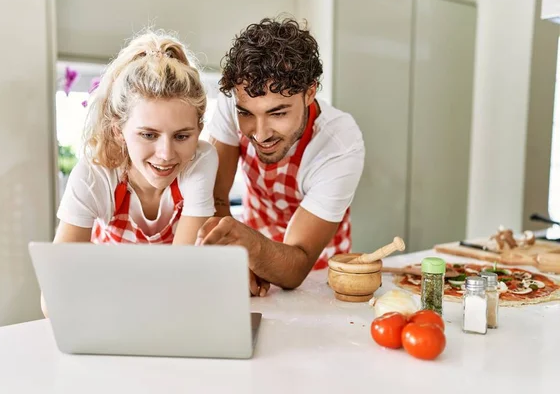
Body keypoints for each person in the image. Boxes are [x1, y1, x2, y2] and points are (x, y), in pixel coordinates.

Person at [44, 31, 218, 314]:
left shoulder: (200, 161)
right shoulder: (93, 176)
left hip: (174, 312)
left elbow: (184, 275)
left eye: (182, 136)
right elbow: (52, 300)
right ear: (119, 131)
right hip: (109, 314)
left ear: (199, 130)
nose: (166, 154)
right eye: (148, 135)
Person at [198, 17, 365, 295]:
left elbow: (298, 263)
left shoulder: (340, 144)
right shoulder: (235, 100)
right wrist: (238, 261)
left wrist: (247, 246)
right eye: (247, 114)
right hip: (251, 262)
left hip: (317, 278)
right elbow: (215, 198)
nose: (260, 134)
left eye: (278, 113)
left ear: (310, 92)